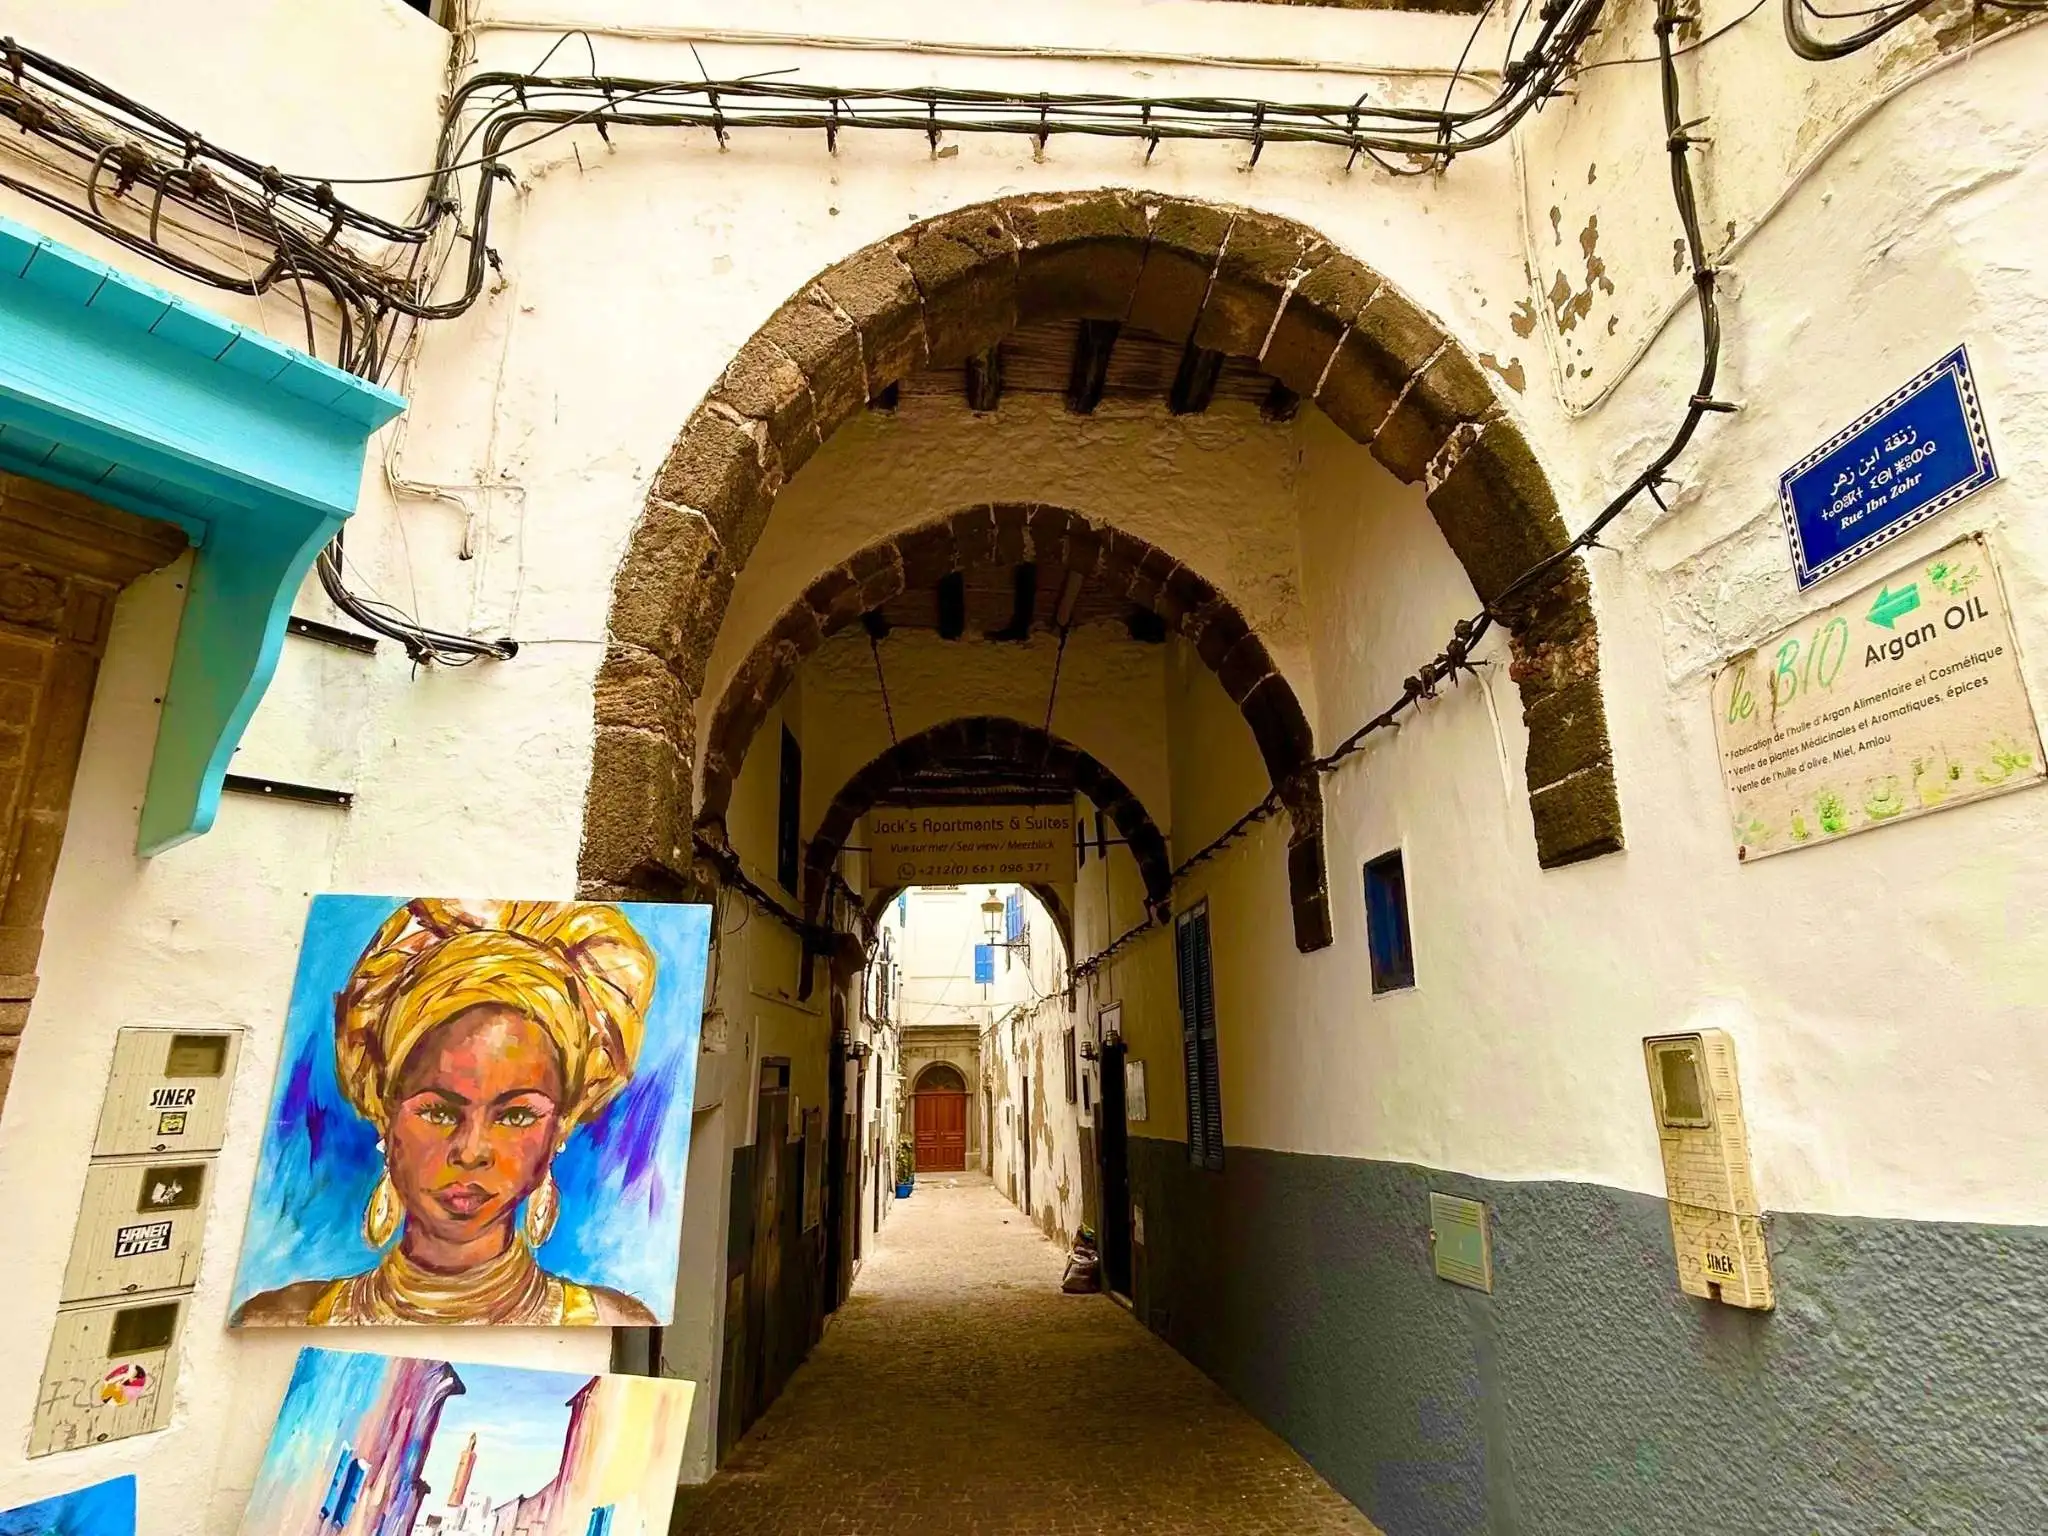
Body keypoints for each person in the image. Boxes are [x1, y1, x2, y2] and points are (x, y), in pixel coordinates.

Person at [233, 899, 659, 1326]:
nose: (471, 1152)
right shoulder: (281, 1318)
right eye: (438, 1112)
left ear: (559, 1128)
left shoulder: (611, 1320)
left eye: (515, 1116)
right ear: (385, 1111)